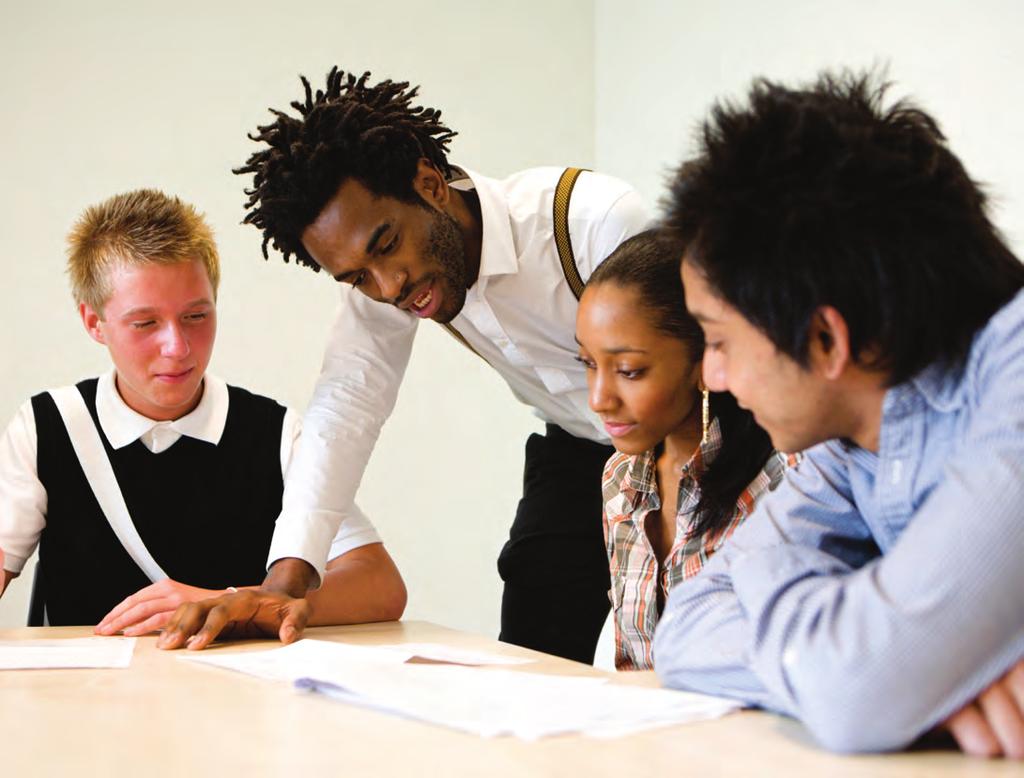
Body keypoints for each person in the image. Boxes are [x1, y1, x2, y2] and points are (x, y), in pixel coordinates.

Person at [155, 68, 649, 661]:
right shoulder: (387, 280)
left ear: (429, 184)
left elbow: (702, 371)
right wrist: (280, 587)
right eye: (356, 276)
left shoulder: (592, 221)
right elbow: (347, 405)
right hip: (577, 451)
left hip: (692, 445)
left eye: (386, 246)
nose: (387, 287)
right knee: (534, 641)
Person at [652, 71, 1024, 759]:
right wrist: (913, 675)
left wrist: (886, 673)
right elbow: (685, 631)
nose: (712, 376)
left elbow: (857, 693)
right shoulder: (853, 442)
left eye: (721, 339)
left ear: (826, 340)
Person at [0, 189, 406, 632]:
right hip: (83, 697)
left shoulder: (273, 433)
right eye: (145, 324)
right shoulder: (47, 428)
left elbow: (380, 585)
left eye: (196, 316)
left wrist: (234, 604)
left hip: (237, 696)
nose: (177, 347)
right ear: (94, 322)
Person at [575, 230, 789, 671]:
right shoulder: (619, 479)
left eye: (629, 370)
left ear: (706, 361)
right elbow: (628, 662)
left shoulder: (781, 481)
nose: (598, 398)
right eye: (589, 364)